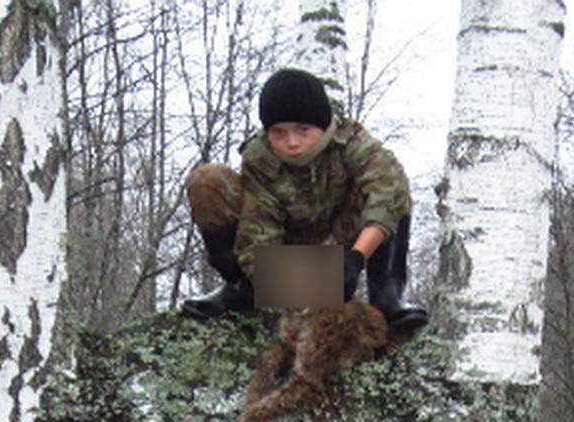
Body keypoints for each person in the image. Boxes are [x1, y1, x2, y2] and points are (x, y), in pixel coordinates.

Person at [182, 67, 429, 332]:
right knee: (207, 180)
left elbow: (386, 193)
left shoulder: (354, 144)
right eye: (279, 132)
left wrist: (356, 259)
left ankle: (387, 296)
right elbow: (257, 230)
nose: (292, 143)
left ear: (322, 125)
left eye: (303, 130)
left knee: (391, 182)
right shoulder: (259, 159)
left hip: (347, 250)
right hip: (290, 261)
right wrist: (271, 279)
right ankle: (242, 291)